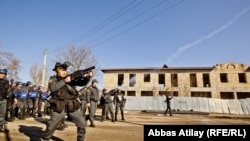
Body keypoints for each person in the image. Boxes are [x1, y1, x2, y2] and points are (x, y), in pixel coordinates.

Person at [40, 61, 93, 141]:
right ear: (56, 71)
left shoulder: (70, 78)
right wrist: (64, 81)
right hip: (59, 105)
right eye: (62, 70)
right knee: (51, 125)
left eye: (65, 70)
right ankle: (45, 138)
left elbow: (81, 83)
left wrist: (88, 78)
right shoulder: (53, 79)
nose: (64, 72)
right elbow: (53, 88)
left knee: (82, 123)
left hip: (72, 104)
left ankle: (80, 139)